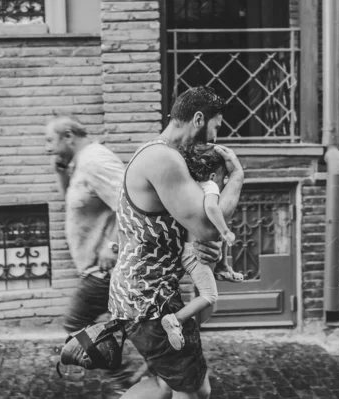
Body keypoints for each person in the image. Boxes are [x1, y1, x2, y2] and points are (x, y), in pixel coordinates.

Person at [108, 86, 245, 399]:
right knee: (195, 390)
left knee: (169, 386)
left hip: (143, 296)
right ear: (198, 119)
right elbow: (209, 228)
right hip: (147, 301)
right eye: (216, 126)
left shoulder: (163, 154)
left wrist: (201, 247)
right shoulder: (164, 160)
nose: (215, 136)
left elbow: (185, 226)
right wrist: (236, 178)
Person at [45, 116, 137, 392]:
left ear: (69, 136)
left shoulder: (96, 161)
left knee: (75, 324)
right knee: (127, 324)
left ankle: (126, 380)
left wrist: (112, 245)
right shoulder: (81, 163)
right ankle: (140, 375)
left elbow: (131, 203)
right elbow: (74, 203)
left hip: (105, 267)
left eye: (50, 140)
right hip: (94, 266)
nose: (47, 147)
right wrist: (61, 172)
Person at [160, 143, 244, 351]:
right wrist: (225, 230)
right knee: (210, 296)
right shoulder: (211, 187)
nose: (225, 181)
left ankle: (224, 268)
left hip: (187, 248)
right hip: (193, 253)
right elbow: (211, 207)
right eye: (224, 177)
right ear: (215, 175)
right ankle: (175, 320)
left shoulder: (193, 186)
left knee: (219, 236)